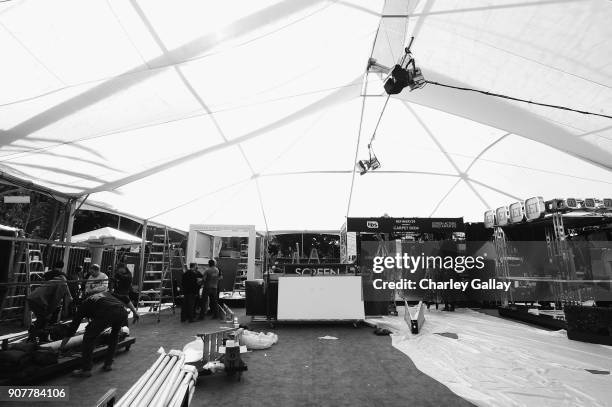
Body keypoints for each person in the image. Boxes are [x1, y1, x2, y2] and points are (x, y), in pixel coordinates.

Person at [59, 291, 139, 377]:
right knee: (114, 336)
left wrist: (61, 347)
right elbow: (125, 298)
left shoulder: (84, 305)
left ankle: (86, 370)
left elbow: (72, 328)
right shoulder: (105, 293)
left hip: (107, 312)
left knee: (89, 337)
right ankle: (108, 364)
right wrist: (135, 312)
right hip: (121, 311)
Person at [26, 274, 72, 342]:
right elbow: (55, 299)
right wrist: (50, 311)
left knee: (42, 319)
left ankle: (37, 336)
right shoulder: (62, 284)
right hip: (38, 300)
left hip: (33, 298)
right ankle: (35, 336)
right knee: (44, 319)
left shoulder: (56, 280)